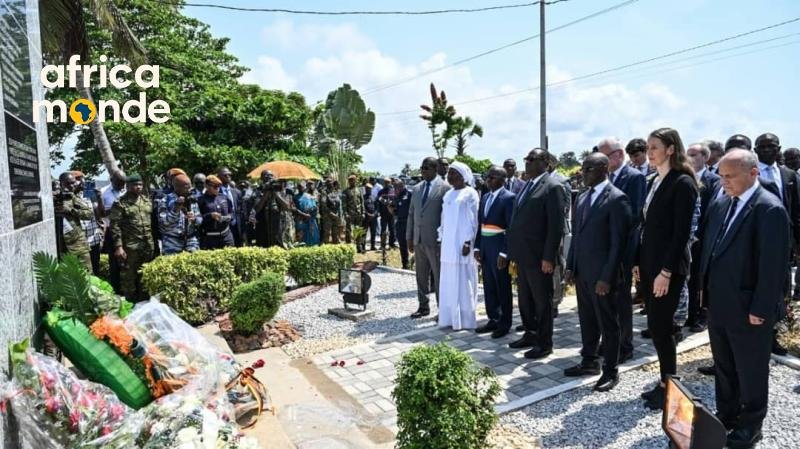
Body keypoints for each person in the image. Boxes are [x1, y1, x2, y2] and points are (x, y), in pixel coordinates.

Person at [699, 150, 789, 448]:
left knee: (751, 369)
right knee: (724, 364)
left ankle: (751, 424)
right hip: (719, 302)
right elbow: (711, 248)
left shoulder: (769, 209)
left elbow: (773, 266)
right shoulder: (722, 202)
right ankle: (727, 414)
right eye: (721, 176)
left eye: (730, 176)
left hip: (749, 308)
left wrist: (761, 308)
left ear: (753, 173)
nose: (724, 182)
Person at [634, 128, 698, 411]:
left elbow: (680, 234)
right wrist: (639, 263)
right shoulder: (655, 181)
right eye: (647, 147)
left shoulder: (682, 183)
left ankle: (669, 386)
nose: (649, 152)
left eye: (654, 147)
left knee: (662, 327)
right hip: (650, 265)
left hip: (667, 270)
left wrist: (666, 272)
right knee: (656, 327)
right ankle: (664, 380)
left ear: (671, 149)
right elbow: (647, 227)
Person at [564, 153, 632, 392]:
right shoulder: (582, 197)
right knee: (587, 320)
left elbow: (618, 244)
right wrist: (570, 265)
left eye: (589, 169)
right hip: (583, 273)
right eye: (583, 169)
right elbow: (577, 236)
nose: (583, 173)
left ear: (604, 168)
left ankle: (611, 371)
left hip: (603, 276)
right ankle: (589, 361)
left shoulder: (617, 198)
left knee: (608, 324)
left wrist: (606, 277)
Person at [506, 148, 567, 359]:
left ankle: (544, 343)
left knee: (542, 302)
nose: (527, 162)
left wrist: (548, 257)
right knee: (525, 300)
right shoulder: (527, 184)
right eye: (527, 159)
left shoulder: (552, 186)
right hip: (523, 256)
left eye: (532, 159)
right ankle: (530, 334)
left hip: (540, 257)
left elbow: (555, 226)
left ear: (546, 163)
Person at [598, 136, 646, 362]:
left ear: (618, 155)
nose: (601, 162)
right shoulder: (602, 178)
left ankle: (625, 346)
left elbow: (634, 215)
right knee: (605, 300)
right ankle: (609, 340)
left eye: (605, 156)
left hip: (623, 248)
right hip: (603, 249)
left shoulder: (634, 177)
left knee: (621, 300)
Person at [753, 133, 799, 356]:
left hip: (782, 243)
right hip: (754, 241)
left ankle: (773, 335)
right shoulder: (750, 172)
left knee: (780, 290)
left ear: (779, 149)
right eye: (762, 147)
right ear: (755, 150)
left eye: (771, 146)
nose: (767, 150)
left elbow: (796, 211)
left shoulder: (789, 175)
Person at [438, 162, 480, 330]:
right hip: (448, 245)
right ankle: (449, 317)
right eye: (449, 173)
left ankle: (465, 318)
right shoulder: (448, 194)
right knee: (449, 280)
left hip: (463, 244)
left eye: (454, 173)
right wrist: (441, 237)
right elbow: (443, 219)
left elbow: (473, 219)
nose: (451, 176)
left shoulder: (470, 193)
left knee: (463, 280)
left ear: (463, 176)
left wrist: (468, 241)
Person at [474, 166, 515, 338]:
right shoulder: (485, 197)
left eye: (492, 177)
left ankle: (504, 323)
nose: (488, 180)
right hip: (485, 247)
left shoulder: (509, 198)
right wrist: (477, 247)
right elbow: (481, 224)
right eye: (487, 177)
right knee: (489, 285)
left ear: (502, 179)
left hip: (499, 248)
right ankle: (493, 318)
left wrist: (505, 253)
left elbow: (511, 228)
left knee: (502, 287)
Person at [407, 157, 451, 318]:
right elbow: (411, 214)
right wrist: (409, 237)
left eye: (426, 168)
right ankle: (423, 306)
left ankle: (442, 309)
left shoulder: (445, 188)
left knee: (439, 276)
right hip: (418, 240)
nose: (423, 171)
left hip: (436, 241)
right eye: (422, 168)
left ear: (435, 169)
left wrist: (444, 239)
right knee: (421, 275)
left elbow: (447, 217)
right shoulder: (417, 188)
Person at [684, 141, 721, 332]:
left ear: (705, 157)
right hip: (685, 237)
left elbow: (713, 211)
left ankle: (700, 315)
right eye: (687, 154)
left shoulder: (714, 180)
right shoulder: (684, 177)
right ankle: (688, 313)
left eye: (694, 154)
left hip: (702, 237)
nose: (689, 158)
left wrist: (700, 234)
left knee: (700, 278)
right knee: (686, 277)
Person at [110, 174, 156, 302]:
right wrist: (119, 247)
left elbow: (153, 223)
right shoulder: (120, 203)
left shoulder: (147, 201)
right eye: (135, 185)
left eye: (140, 184)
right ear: (128, 186)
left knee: (146, 274)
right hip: (130, 246)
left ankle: (144, 302)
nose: (138, 187)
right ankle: (130, 304)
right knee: (129, 277)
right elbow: (115, 226)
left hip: (148, 245)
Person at [55, 172, 94, 270]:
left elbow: (89, 214)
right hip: (60, 246)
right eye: (68, 183)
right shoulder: (53, 198)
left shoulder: (72, 198)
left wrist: (71, 210)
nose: (72, 186)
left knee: (87, 275)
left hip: (78, 245)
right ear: (61, 183)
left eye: (73, 183)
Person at [157, 173, 202, 255]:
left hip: (191, 241)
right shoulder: (165, 201)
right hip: (172, 242)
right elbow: (163, 223)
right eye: (187, 187)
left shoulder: (192, 200)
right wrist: (175, 209)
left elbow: (200, 219)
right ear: (177, 187)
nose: (190, 190)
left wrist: (195, 219)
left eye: (190, 187)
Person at [98, 172, 126, 293]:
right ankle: (117, 291)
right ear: (111, 180)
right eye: (119, 183)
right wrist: (115, 209)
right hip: (112, 231)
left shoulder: (127, 191)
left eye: (123, 183)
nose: (121, 186)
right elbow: (100, 214)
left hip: (128, 230)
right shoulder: (103, 192)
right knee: (114, 263)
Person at [72, 171, 104, 275]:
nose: (82, 183)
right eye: (78, 180)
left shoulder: (89, 197)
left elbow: (100, 215)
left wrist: (99, 198)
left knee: (95, 269)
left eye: (83, 180)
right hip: (78, 243)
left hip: (93, 240)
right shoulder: (68, 197)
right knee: (80, 273)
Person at [198, 175, 235, 249]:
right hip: (210, 238)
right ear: (206, 186)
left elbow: (232, 213)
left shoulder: (224, 197)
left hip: (226, 236)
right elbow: (197, 219)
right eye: (215, 187)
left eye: (219, 186)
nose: (217, 189)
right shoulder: (200, 200)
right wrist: (210, 216)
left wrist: (228, 217)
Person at [251, 170, 287, 248]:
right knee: (263, 247)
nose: (270, 177)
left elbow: (287, 207)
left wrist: (276, 195)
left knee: (278, 247)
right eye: (267, 175)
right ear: (261, 178)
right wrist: (266, 194)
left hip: (277, 225)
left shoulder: (277, 189)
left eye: (271, 175)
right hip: (262, 225)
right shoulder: (257, 190)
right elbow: (257, 209)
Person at [390, 178, 413, 269]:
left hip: (409, 223)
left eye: (396, 187)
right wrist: (391, 210)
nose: (395, 189)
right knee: (402, 245)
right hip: (400, 223)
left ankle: (414, 263)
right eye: (394, 187)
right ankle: (405, 265)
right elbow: (396, 212)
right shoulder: (396, 197)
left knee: (413, 244)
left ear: (402, 186)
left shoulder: (409, 194)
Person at [218, 168, 243, 246]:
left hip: (236, 226)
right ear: (219, 177)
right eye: (225, 175)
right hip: (222, 227)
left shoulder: (237, 192)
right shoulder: (216, 192)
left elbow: (240, 210)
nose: (228, 176)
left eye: (229, 174)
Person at [343, 175, 366, 252]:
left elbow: (362, 202)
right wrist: (345, 213)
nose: (352, 181)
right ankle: (349, 247)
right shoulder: (346, 191)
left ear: (355, 181)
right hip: (350, 214)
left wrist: (363, 212)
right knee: (348, 230)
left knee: (358, 230)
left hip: (358, 213)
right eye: (350, 180)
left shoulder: (359, 190)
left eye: (353, 180)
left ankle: (358, 246)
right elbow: (344, 204)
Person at [295, 181, 320, 246]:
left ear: (305, 187)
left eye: (302, 187)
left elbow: (314, 207)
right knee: (301, 235)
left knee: (312, 234)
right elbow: (294, 208)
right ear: (297, 188)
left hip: (310, 218)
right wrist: (303, 215)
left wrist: (310, 214)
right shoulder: (295, 197)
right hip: (300, 218)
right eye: (299, 187)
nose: (301, 188)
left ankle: (313, 247)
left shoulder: (310, 196)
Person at [377, 177, 396, 248]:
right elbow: (378, 201)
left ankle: (392, 244)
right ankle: (383, 245)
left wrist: (392, 204)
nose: (387, 184)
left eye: (388, 182)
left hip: (391, 214)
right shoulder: (381, 192)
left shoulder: (393, 191)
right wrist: (384, 202)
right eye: (385, 182)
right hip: (383, 214)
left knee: (392, 230)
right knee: (383, 230)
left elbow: (396, 201)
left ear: (390, 183)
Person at [364, 183, 379, 251]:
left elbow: (377, 207)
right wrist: (367, 214)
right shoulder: (363, 197)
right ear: (365, 189)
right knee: (364, 232)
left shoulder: (374, 197)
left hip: (373, 218)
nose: (368, 190)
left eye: (369, 189)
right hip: (366, 218)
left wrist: (374, 214)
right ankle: (363, 246)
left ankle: (372, 246)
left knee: (373, 232)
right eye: (367, 189)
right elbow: (362, 207)